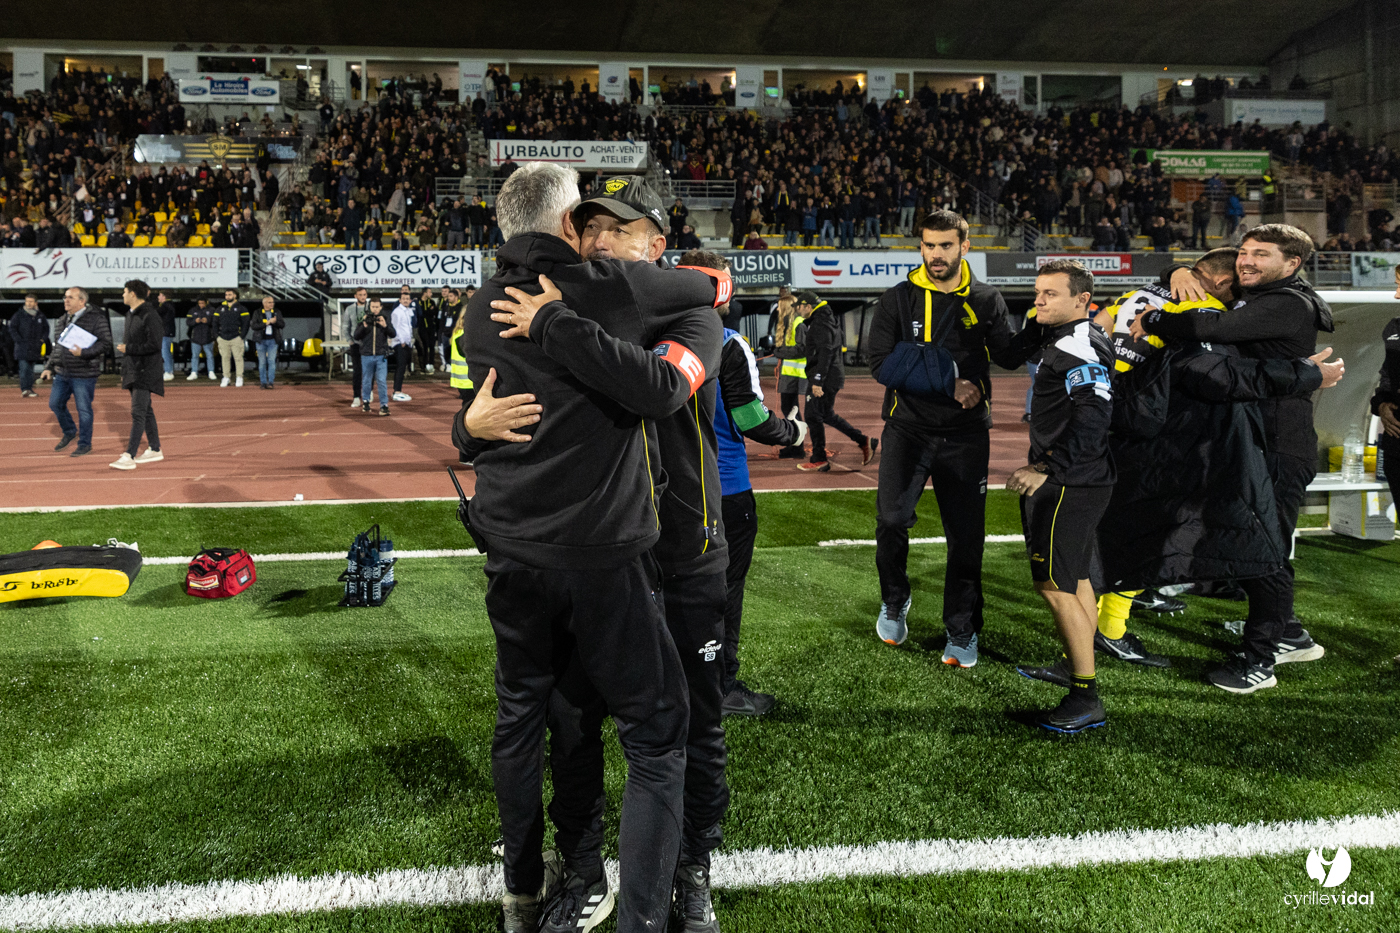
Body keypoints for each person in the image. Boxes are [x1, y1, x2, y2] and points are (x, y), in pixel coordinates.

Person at [451, 162, 724, 933]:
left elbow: (676, 366)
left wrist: (554, 323)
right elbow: (484, 411)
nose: (602, 242)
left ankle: (685, 870)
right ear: (568, 227)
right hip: (608, 550)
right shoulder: (605, 289)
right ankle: (588, 874)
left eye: (620, 230)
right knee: (595, 725)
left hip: (675, 547)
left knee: (683, 724)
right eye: (592, 225)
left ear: (658, 242)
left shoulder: (498, 300)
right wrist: (463, 429)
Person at [1133, 224, 1333, 693]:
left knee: (1267, 551)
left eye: (1260, 254)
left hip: (1280, 446)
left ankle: (1261, 659)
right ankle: (1287, 631)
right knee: (1252, 542)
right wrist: (1178, 269)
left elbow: (1210, 326)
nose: (1246, 261)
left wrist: (1156, 320)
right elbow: (1203, 277)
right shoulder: (1257, 293)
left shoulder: (1287, 304)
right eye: (1244, 252)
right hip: (1253, 442)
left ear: (1292, 264)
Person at [865, 211, 1030, 665]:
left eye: (945, 246)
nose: (936, 255)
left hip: (965, 436)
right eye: (929, 246)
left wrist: (1040, 325)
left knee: (966, 538)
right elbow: (880, 363)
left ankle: (961, 629)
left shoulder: (986, 298)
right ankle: (895, 600)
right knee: (892, 521)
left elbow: (1008, 358)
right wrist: (947, 383)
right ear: (920, 247)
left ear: (964, 245)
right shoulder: (898, 299)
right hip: (908, 429)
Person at [682, 249, 807, 717]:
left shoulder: (653, 334)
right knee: (723, 592)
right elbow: (751, 418)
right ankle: (719, 687)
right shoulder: (727, 341)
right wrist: (794, 432)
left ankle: (669, 680)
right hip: (725, 489)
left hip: (664, 489)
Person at [1002, 259, 1115, 733]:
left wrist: (1047, 468)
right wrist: (1036, 322)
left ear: (1082, 301)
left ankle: (1085, 696)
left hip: (1071, 482)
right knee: (1077, 579)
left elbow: (1093, 417)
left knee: (1054, 585)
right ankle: (1078, 668)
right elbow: (1010, 355)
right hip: (1085, 478)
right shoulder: (1068, 336)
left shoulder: (1078, 346)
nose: (1038, 301)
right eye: (1036, 292)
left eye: (1049, 294)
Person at [799, 289, 873, 472]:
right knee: (825, 414)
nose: (798, 311)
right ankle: (863, 441)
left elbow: (826, 353)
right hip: (830, 376)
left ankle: (819, 458)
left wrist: (817, 381)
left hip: (825, 378)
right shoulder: (826, 320)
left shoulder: (820, 324)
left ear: (808, 306)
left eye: (799, 307)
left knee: (812, 415)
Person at [40, 286, 112, 458]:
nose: (66, 300)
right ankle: (70, 431)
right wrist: (49, 367)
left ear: (82, 301)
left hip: (84, 373)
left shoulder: (96, 319)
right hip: (62, 372)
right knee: (55, 404)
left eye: (70, 297)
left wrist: (84, 353)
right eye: (65, 297)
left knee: (84, 410)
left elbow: (106, 342)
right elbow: (57, 348)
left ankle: (85, 444)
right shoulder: (62, 320)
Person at [110, 280, 165, 470]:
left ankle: (129, 455)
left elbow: (155, 344)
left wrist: (129, 348)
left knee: (137, 412)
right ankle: (155, 449)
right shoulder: (130, 315)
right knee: (146, 410)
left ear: (133, 294)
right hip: (133, 369)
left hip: (146, 370)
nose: (122, 295)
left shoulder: (150, 315)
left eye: (124, 292)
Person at [773, 289, 808, 460]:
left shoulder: (798, 324)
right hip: (789, 374)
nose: (778, 310)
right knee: (790, 410)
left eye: (780, 307)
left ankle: (798, 447)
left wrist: (781, 353)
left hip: (795, 375)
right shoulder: (791, 324)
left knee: (792, 410)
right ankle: (794, 445)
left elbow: (803, 349)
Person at [354, 296, 394, 415]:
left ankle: (384, 405)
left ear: (381, 307)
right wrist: (364, 325)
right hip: (367, 355)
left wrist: (385, 326)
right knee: (366, 380)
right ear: (369, 307)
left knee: (381, 380)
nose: (375, 309)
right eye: (373, 307)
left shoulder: (385, 318)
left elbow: (393, 334)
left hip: (381, 355)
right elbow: (356, 336)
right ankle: (366, 402)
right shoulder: (365, 319)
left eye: (377, 307)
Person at [8, 293, 48, 398]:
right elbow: (12, 328)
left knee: (30, 370)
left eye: (31, 301)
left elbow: (46, 329)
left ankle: (29, 389)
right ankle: (25, 389)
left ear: (35, 303)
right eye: (27, 301)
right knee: (24, 368)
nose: (29, 304)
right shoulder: (19, 315)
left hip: (35, 348)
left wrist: (42, 339)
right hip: (22, 348)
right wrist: (18, 340)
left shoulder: (40, 316)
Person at [342, 287, 371, 409]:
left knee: (369, 371)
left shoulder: (371, 308)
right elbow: (345, 326)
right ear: (355, 296)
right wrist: (350, 340)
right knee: (357, 371)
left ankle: (368, 392)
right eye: (360, 295)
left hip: (369, 344)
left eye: (364, 294)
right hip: (356, 345)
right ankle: (356, 397)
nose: (363, 297)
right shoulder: (349, 309)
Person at [214, 288, 249, 388]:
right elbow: (214, 323)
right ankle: (226, 377)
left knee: (238, 358)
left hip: (236, 338)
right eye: (226, 295)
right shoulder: (219, 309)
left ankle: (239, 377)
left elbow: (246, 324)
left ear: (235, 296)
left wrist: (241, 336)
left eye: (229, 294)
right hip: (223, 338)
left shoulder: (242, 308)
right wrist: (217, 336)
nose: (227, 296)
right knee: (225, 358)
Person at [250, 295, 285, 390]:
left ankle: (271, 382)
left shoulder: (277, 312)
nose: (272, 304)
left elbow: (282, 324)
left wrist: (275, 322)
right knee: (262, 362)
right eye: (270, 302)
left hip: (273, 341)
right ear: (264, 303)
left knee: (271, 361)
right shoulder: (257, 312)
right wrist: (266, 323)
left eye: (273, 302)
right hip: (260, 341)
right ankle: (263, 382)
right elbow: (253, 326)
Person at [388, 287, 417, 402]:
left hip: (407, 343)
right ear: (399, 300)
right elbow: (395, 328)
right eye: (403, 299)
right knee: (400, 367)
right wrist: (402, 341)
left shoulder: (408, 311)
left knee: (403, 367)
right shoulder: (397, 312)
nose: (405, 300)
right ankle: (396, 391)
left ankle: (398, 390)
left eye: (407, 299)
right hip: (400, 343)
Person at [186, 297, 217, 381]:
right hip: (195, 337)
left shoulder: (211, 310)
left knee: (210, 355)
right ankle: (194, 372)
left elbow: (215, 322)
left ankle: (211, 372)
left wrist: (207, 321)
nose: (201, 305)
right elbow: (188, 322)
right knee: (195, 356)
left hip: (208, 337)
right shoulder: (192, 310)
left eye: (203, 303)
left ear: (206, 302)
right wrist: (195, 321)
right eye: (199, 303)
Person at [156, 290, 178, 381]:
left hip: (166, 332)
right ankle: (168, 371)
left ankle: (168, 371)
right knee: (165, 352)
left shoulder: (166, 306)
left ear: (164, 297)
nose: (158, 297)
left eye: (159, 295)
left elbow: (156, 313)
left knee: (165, 352)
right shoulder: (170, 306)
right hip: (167, 332)